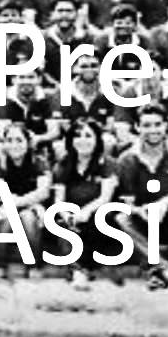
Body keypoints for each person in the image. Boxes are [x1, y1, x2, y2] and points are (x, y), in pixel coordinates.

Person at [50, 118, 122, 289]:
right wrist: (67, 215)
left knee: (97, 219)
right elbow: (59, 200)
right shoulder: (63, 165)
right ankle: (78, 271)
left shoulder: (108, 163)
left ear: (97, 140)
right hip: (73, 216)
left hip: (100, 217)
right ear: (71, 140)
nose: (83, 140)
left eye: (88, 136)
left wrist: (86, 212)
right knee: (63, 226)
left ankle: (84, 269)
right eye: (78, 136)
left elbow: (105, 197)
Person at [0, 122, 52, 279]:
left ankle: (34, 265)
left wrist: (16, 203)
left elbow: (43, 192)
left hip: (30, 206)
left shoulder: (39, 162)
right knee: (8, 217)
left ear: (28, 143)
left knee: (29, 218)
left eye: (19, 140)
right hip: (5, 207)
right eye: (9, 140)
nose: (14, 145)